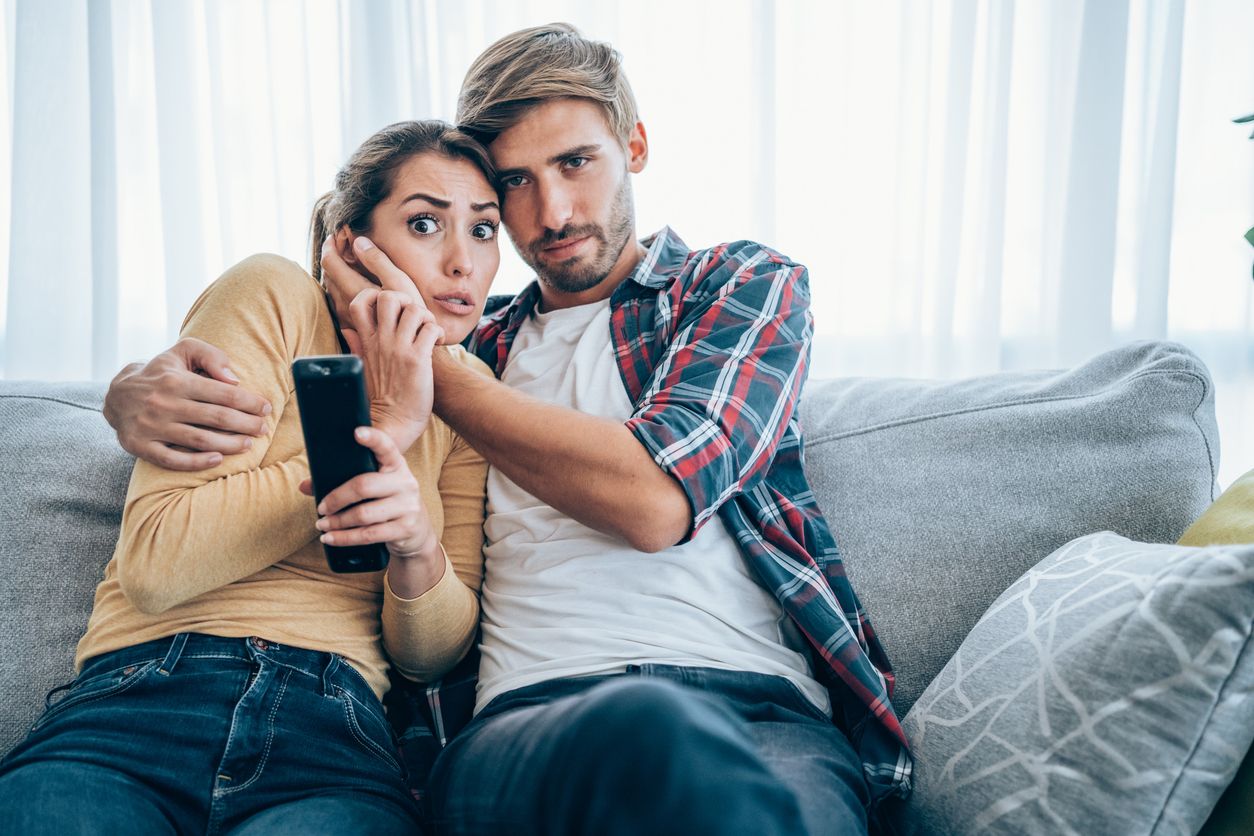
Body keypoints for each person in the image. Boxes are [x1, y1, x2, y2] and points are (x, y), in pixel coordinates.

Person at [102, 24, 913, 836]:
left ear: (633, 143)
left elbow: (657, 501)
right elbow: (305, 340)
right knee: (649, 742)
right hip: (531, 719)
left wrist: (432, 369)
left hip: (762, 705)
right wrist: (127, 392)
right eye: (516, 183)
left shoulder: (734, 287)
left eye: (575, 163)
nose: (551, 212)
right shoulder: (476, 340)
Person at [0, 120, 502, 834]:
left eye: (484, 231)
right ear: (349, 242)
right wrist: (381, 431)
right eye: (425, 223)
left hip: (333, 730)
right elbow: (158, 563)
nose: (464, 263)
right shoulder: (273, 296)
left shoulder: (468, 389)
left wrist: (417, 548)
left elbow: (429, 658)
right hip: (144, 697)